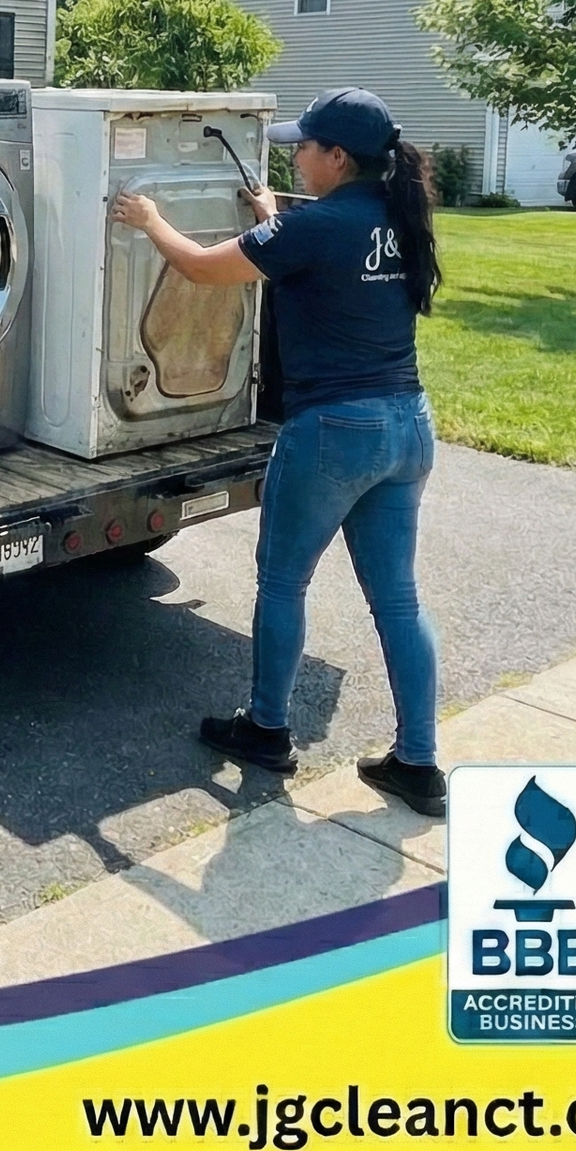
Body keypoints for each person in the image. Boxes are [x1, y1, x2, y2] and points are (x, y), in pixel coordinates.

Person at [110, 88, 447, 817]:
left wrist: (150, 219)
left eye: (304, 146)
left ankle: (266, 728)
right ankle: (418, 764)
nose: (295, 154)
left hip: (334, 430)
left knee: (283, 580)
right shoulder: (395, 215)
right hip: (407, 425)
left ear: (337, 158)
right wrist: (270, 217)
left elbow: (201, 268)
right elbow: (310, 255)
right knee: (397, 598)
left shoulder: (319, 225)